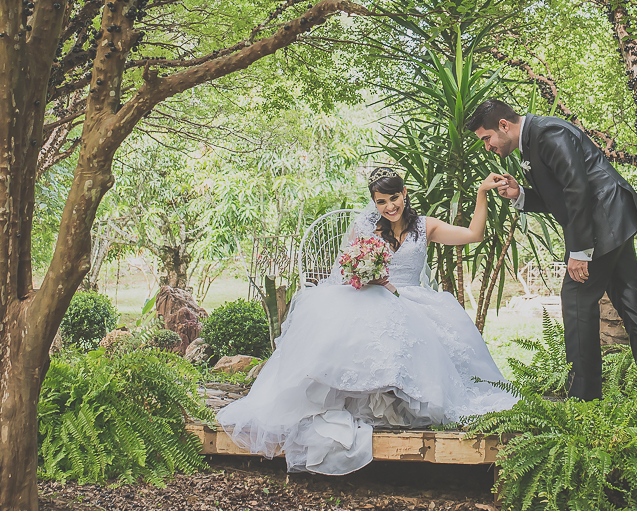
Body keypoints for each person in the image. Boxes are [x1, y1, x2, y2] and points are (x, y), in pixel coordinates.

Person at [217, 167, 516, 475]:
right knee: (363, 319)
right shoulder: (365, 226)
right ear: (374, 202)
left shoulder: (424, 226)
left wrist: (481, 193)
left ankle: (403, 401)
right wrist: (367, 276)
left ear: (404, 194)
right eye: (381, 201)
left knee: (415, 325)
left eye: (394, 198)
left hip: (412, 299)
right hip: (372, 295)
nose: (389, 207)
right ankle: (365, 398)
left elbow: (474, 235)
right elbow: (345, 270)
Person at [465, 98, 637, 401]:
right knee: (631, 303)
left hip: (602, 220)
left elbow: (577, 188)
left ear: (504, 126)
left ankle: (583, 402)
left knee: (576, 301)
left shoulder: (548, 133)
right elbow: (559, 195)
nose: (487, 147)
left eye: (487, 138)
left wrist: (580, 252)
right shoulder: (532, 141)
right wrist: (520, 194)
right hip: (612, 219)